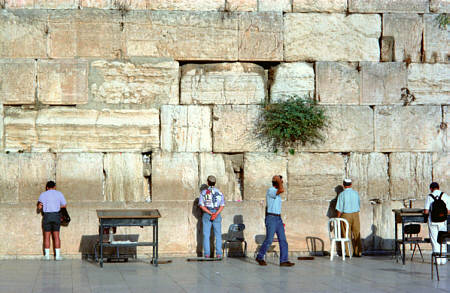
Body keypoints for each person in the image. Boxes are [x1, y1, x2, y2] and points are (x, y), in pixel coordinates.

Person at [256, 175, 295, 267]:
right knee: (269, 240)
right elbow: (281, 190)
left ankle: (283, 260)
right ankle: (260, 257)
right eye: (281, 182)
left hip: (278, 218)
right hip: (271, 218)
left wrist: (279, 180)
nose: (282, 183)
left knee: (283, 240)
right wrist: (278, 180)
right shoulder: (271, 190)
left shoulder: (277, 194)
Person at [37, 181, 67, 261]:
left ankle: (46, 256)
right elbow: (64, 205)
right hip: (56, 216)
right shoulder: (59, 194)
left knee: (46, 237)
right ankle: (57, 256)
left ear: (47, 187)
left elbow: (39, 207)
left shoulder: (43, 194)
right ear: (54, 187)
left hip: (47, 216)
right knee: (56, 236)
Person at [198, 175, 225, 258]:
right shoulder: (220, 193)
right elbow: (222, 205)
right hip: (217, 212)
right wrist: (215, 214)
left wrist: (210, 213)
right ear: (215, 182)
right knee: (218, 235)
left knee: (206, 235)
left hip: (207, 213)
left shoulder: (203, 193)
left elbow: (201, 205)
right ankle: (219, 254)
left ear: (207, 182)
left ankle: (207, 254)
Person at [424, 182, 449, 265]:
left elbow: (426, 211)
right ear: (438, 187)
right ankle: (443, 260)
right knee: (443, 240)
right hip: (443, 222)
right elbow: (448, 211)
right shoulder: (445, 196)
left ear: (431, 188)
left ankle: (437, 261)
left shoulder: (429, 197)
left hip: (433, 222)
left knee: (435, 240)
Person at [336, 178, 362, 257]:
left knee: (346, 234)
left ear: (344, 185)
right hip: (355, 214)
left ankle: (349, 252)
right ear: (351, 184)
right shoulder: (356, 193)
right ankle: (358, 252)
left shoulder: (342, 195)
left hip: (346, 215)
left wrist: (337, 218)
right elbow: (359, 204)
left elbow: (339, 208)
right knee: (357, 233)